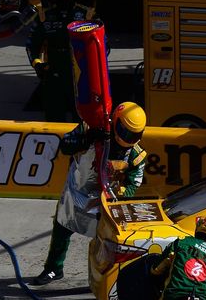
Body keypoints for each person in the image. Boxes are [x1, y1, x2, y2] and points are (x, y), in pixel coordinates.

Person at [32, 102, 147, 285]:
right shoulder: (89, 127)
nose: (128, 138)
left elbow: (135, 182)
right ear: (115, 122)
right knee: (61, 229)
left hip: (105, 200)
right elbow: (65, 146)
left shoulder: (137, 156)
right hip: (77, 189)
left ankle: (104, 278)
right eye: (125, 132)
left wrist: (117, 195)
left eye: (134, 135)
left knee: (107, 243)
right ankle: (53, 268)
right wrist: (86, 139)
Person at [26, 0, 95, 122]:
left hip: (79, 75)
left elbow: (103, 46)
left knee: (82, 120)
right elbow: (31, 45)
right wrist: (37, 64)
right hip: (54, 74)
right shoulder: (44, 16)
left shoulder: (87, 16)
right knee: (53, 118)